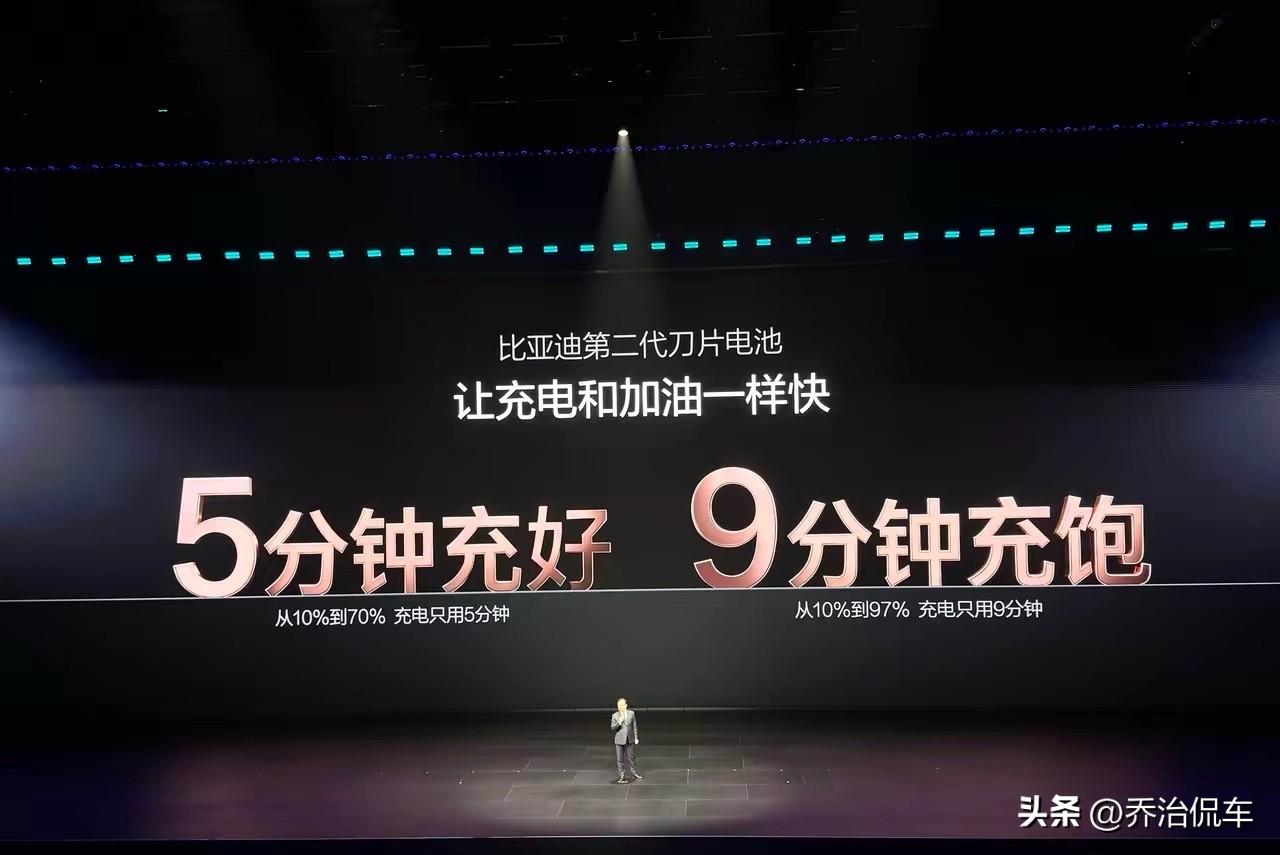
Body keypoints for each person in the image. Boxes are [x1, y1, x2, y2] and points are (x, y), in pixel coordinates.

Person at [610, 697, 642, 783]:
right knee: (620, 759)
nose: (620, 707)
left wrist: (636, 737)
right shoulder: (615, 715)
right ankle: (622, 775)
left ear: (626, 705)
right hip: (619, 740)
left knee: (632, 757)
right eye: (618, 705)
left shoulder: (631, 713)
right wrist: (619, 722)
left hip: (630, 738)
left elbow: (634, 726)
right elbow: (613, 727)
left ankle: (634, 772)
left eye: (621, 705)